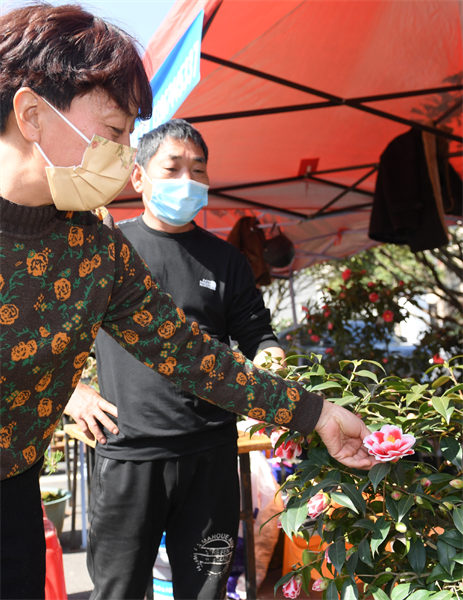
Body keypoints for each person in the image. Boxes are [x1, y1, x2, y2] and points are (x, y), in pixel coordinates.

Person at [0, 4, 377, 599]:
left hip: (12, 487)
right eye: (116, 132)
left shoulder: (94, 250)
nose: (125, 158)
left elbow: (190, 353)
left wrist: (318, 414)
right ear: (31, 115)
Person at [65, 118, 286, 600]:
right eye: (173, 167)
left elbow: (256, 333)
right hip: (129, 452)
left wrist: (271, 358)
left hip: (211, 452)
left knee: (205, 591)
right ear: (139, 177)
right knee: (117, 591)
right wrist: (74, 392)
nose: (188, 180)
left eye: (198, 169)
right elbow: (57, 332)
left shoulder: (225, 260)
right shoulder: (110, 248)